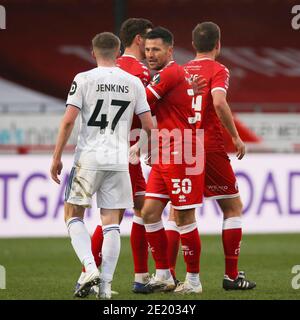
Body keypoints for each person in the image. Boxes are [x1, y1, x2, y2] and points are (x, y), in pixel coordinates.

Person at [50, 32, 154, 299]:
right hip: (118, 160)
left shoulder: (83, 79)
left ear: (92, 52)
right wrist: (141, 147)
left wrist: (56, 156)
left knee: (73, 214)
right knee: (111, 224)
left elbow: (68, 121)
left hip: (89, 158)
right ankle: (105, 289)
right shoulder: (133, 82)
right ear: (118, 52)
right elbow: (148, 125)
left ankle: (88, 267)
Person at [167, 21, 256, 291]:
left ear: (193, 45)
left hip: (182, 147)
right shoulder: (218, 69)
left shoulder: (179, 71)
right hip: (209, 146)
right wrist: (236, 137)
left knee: (177, 213)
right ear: (218, 44)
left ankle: (168, 275)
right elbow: (218, 102)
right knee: (232, 207)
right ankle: (231, 275)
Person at [141, 27, 206, 294]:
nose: (150, 54)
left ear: (170, 50)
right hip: (165, 152)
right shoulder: (168, 76)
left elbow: (142, 102)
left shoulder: (169, 72)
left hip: (182, 151)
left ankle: (193, 281)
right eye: (146, 49)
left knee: (184, 216)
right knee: (149, 212)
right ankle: (165, 274)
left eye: (156, 49)